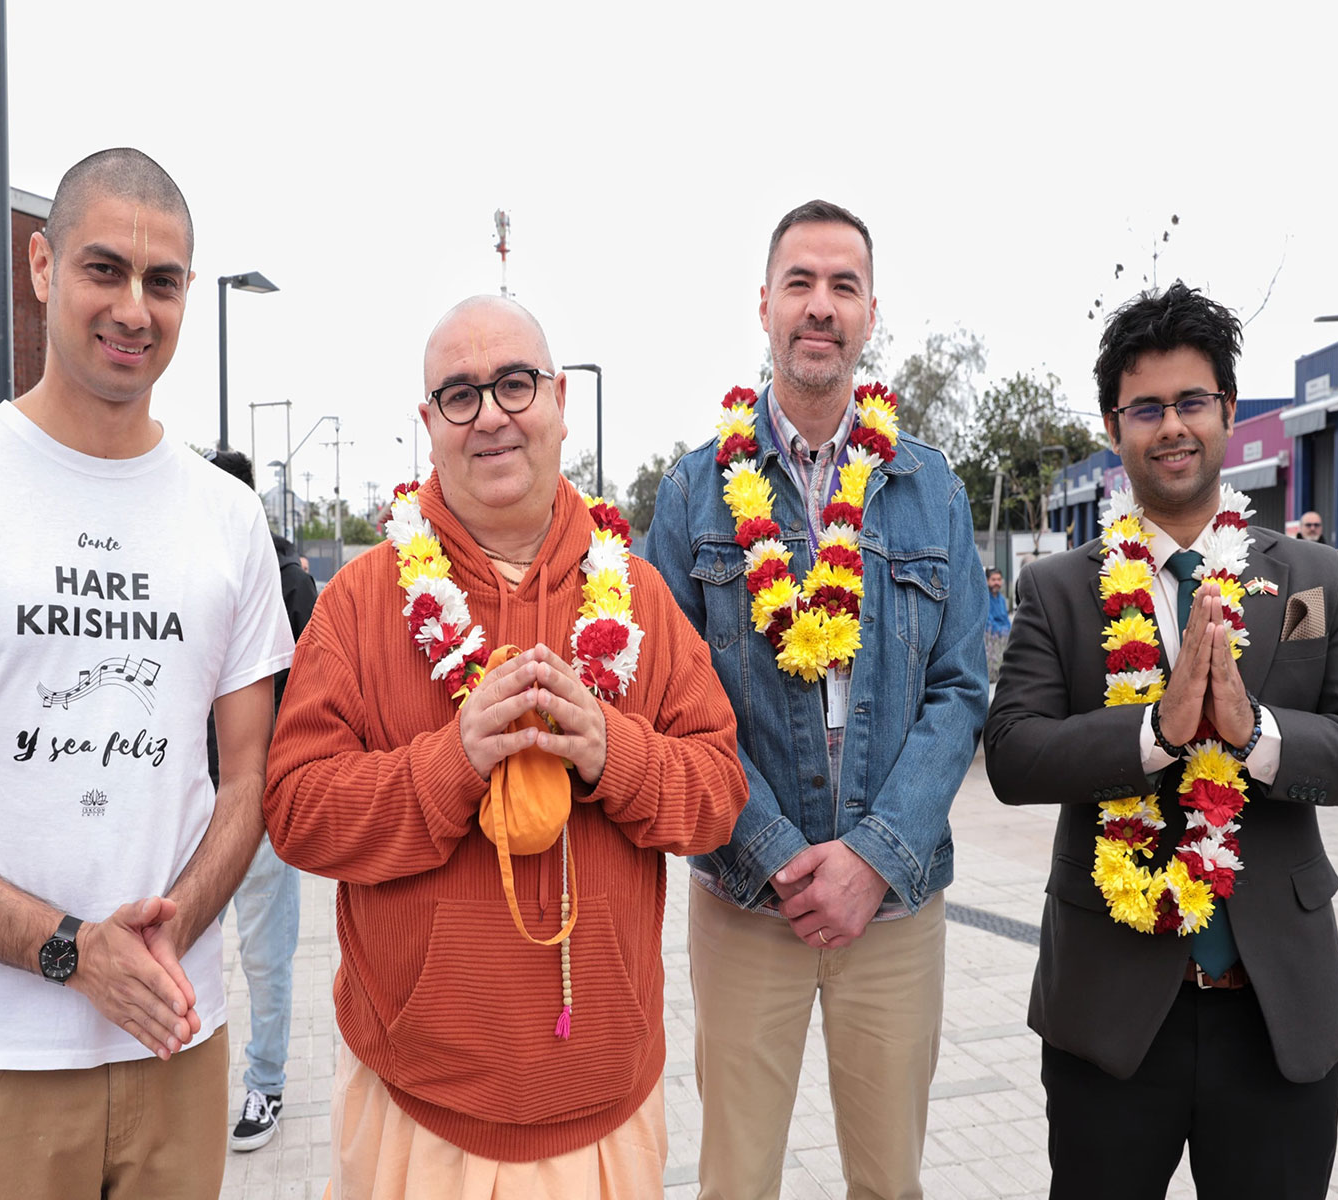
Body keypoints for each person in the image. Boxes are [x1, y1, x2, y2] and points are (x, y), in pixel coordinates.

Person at [0, 148, 294, 1199]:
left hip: (176, 1045)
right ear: (41, 266)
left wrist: (158, 942)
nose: (134, 308)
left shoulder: (226, 517)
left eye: (163, 282)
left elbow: (252, 778)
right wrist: (75, 953)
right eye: (104, 269)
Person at [263, 294, 748, 1197]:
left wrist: (615, 753)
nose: (490, 414)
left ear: (560, 401)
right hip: (413, 1101)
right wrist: (453, 761)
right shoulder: (361, 602)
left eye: (514, 385)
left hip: (604, 1097)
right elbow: (295, 812)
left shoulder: (637, 597)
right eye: (459, 394)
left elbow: (719, 792)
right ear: (428, 424)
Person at [985, 281, 1338, 1200]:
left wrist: (1254, 733)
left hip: (1277, 1017)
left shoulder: (1312, 575)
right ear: (1115, 425)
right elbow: (1014, 754)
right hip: (1110, 1015)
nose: (1171, 426)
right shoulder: (1060, 590)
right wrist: (1154, 731)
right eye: (1147, 407)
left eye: (1191, 402)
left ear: (1225, 410)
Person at [647, 199, 988, 1200]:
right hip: (748, 903)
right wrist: (779, 854)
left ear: (870, 311)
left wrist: (874, 859)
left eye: (842, 286)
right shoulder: (691, 494)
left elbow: (962, 690)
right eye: (800, 282)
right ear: (763, 304)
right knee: (736, 1179)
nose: (820, 306)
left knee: (890, 1183)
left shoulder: (931, 490)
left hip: (894, 908)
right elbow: (670, 701)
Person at [204, 448, 316, 1151]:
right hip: (186, 796)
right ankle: (178, 1075)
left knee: (266, 951)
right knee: (179, 942)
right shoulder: (184, 563)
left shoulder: (285, 579)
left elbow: (310, 690)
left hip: (263, 797)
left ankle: (266, 1083)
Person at [985, 567, 1011, 683]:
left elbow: (1006, 620)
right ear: (987, 581)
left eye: (999, 579)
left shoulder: (1001, 599)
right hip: (991, 641)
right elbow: (988, 623)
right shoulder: (984, 598)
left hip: (1003, 639)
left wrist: (1011, 633)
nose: (997, 582)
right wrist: (1005, 633)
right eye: (993, 579)